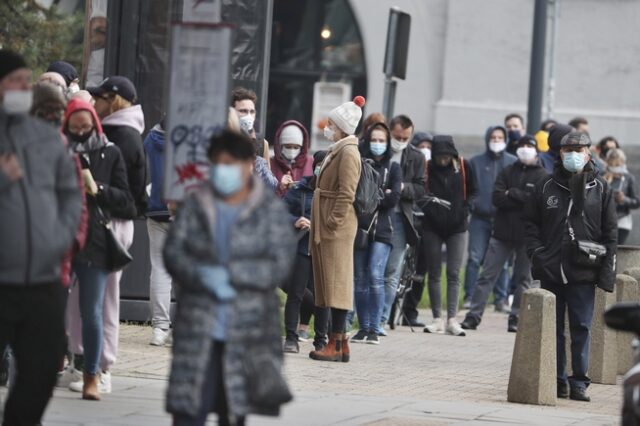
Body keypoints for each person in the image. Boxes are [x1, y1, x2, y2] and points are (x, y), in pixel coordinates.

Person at [163, 129, 295, 426]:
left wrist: (234, 275)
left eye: (232, 163)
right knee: (188, 411)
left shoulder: (267, 209)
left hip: (247, 330)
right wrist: (201, 275)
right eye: (218, 164)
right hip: (199, 326)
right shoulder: (196, 204)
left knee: (234, 411)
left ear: (248, 164)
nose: (225, 171)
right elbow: (174, 252)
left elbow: (280, 261)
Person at [0, 49, 82, 425]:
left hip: (43, 278)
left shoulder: (49, 140)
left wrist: (60, 237)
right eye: (12, 82)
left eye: (23, 81)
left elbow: (71, 195)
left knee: (44, 365)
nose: (21, 88)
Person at [525, 131, 617, 402]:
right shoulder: (545, 185)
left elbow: (610, 234)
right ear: (560, 154)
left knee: (581, 326)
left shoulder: (600, 188)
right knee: (553, 328)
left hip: (584, 269)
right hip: (551, 266)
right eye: (568, 150)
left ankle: (579, 381)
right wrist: (537, 253)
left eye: (579, 149)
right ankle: (557, 379)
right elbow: (530, 224)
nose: (574, 155)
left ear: (589, 153)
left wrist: (606, 274)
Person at [66, 76, 143, 395]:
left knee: (100, 303)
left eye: (99, 98)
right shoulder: (117, 134)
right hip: (87, 227)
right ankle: (85, 361)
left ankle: (98, 367)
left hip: (105, 228)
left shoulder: (118, 139)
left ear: (114, 101)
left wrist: (97, 191)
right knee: (83, 303)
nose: (94, 103)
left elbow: (129, 196)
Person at [461, 135, 547, 333]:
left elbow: (536, 204)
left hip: (528, 236)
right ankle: (473, 315)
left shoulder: (543, 176)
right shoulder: (508, 171)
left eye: (529, 146)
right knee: (487, 275)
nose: (525, 149)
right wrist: (521, 197)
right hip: (501, 233)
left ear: (536, 150)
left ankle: (516, 317)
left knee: (523, 279)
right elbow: (498, 198)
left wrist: (513, 193)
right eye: (522, 146)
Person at [309, 96, 364, 362]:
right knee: (331, 281)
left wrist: (332, 221)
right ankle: (340, 343)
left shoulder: (349, 152)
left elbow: (347, 192)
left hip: (337, 226)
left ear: (342, 126)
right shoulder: (339, 148)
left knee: (337, 283)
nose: (326, 127)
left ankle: (335, 342)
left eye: (331, 123)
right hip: (329, 222)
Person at [416, 136, 475, 336]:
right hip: (432, 226)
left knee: (454, 272)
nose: (443, 160)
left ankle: (452, 318)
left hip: (458, 227)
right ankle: (436, 318)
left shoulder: (464, 167)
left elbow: (474, 192)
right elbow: (421, 193)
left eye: (446, 156)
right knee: (433, 272)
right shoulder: (427, 168)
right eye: (439, 156)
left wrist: (466, 209)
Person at [351, 122, 402, 344]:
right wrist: (381, 193)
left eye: (382, 140)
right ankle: (363, 327)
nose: (378, 144)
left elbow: (393, 199)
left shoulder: (394, 167)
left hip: (383, 229)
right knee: (360, 277)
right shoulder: (360, 165)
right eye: (374, 140)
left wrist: (375, 196)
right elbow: (357, 197)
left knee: (375, 274)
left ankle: (375, 327)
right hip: (361, 227)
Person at [462, 126, 516, 311]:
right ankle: (469, 296)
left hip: (503, 218)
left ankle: (500, 299)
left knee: (502, 261)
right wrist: (473, 205)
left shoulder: (512, 162)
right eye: (493, 136)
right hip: (479, 218)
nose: (496, 140)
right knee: (475, 258)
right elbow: (468, 188)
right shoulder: (475, 162)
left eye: (500, 137)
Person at [380, 115, 426, 328]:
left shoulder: (416, 157)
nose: (400, 140)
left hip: (400, 217)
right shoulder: (379, 150)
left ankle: (381, 318)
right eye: (397, 136)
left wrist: (402, 188)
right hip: (378, 215)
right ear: (390, 132)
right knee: (373, 268)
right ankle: (367, 316)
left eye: (405, 137)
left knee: (392, 270)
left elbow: (420, 188)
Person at [282, 151, 328, 353]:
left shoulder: (336, 192)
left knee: (322, 297)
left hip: (324, 249)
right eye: (319, 165)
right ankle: (291, 338)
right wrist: (295, 220)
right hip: (301, 247)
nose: (322, 169)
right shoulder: (300, 188)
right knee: (295, 293)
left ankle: (321, 340)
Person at [144, 118, 174, 346]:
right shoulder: (187, 139)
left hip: (155, 209)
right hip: (184, 209)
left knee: (160, 268)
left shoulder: (150, 140)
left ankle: (160, 327)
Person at [603, 148, 639, 244]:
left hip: (622, 220)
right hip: (604, 220)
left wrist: (624, 199)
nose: (615, 167)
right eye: (612, 164)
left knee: (617, 247)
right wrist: (605, 183)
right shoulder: (602, 177)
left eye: (617, 165)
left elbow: (637, 202)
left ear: (623, 163)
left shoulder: (629, 178)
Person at [271, 120, 313, 197]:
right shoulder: (271, 163)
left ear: (302, 147)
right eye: (288, 147)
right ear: (280, 145)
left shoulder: (310, 163)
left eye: (296, 147)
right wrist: (280, 187)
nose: (292, 150)